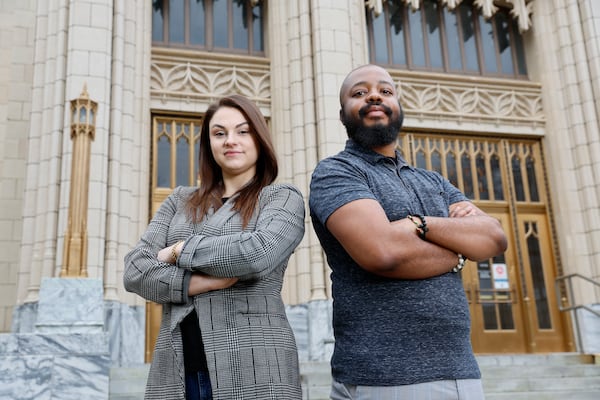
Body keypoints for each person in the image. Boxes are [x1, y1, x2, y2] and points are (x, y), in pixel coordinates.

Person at [309, 64, 508, 399]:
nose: (374, 95)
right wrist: (460, 249)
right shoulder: (336, 173)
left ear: (399, 106)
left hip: (458, 369)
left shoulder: (433, 181)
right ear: (342, 114)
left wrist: (420, 224)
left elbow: (493, 238)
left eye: (386, 91)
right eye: (359, 93)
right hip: (382, 376)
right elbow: (383, 253)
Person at [124, 94, 305, 400]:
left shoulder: (280, 198)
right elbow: (135, 270)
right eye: (219, 133)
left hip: (257, 368)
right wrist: (197, 283)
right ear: (208, 144)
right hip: (179, 371)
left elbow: (254, 254)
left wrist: (177, 251)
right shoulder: (180, 200)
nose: (230, 141)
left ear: (259, 139)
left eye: (242, 131)